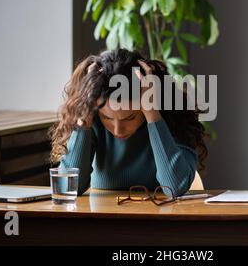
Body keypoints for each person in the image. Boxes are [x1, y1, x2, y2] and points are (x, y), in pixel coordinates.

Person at [49, 48, 208, 197]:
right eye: (108, 118)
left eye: (130, 117)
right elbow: (66, 188)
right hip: (102, 220)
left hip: (159, 221)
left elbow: (175, 187)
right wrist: (84, 119)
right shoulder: (92, 119)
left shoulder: (173, 118)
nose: (118, 130)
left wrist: (152, 113)